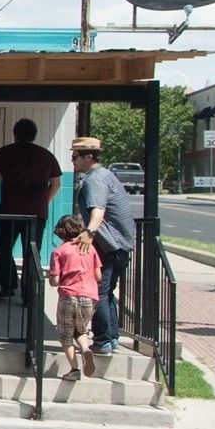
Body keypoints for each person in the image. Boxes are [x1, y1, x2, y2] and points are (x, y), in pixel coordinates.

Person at [70, 135, 135, 355]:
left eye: (76, 156)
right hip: (120, 246)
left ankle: (103, 341)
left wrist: (89, 233)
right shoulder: (106, 176)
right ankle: (111, 338)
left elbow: (98, 209)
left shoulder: (95, 179)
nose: (73, 160)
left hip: (108, 247)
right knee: (107, 293)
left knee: (96, 293)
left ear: (89, 157)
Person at [0, 118, 61, 299]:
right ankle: (29, 293)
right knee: (32, 253)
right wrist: (44, 201)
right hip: (37, 213)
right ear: (34, 135)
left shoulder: (5, 152)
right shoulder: (46, 155)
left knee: (3, 248)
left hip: (10, 210)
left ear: (15, 134)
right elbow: (56, 183)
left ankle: (8, 285)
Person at [47, 214, 101, 380]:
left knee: (65, 335)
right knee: (80, 329)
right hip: (89, 296)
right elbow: (98, 276)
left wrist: (51, 276)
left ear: (61, 233)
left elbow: (55, 281)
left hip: (68, 296)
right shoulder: (90, 249)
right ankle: (85, 349)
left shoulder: (59, 252)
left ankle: (75, 369)